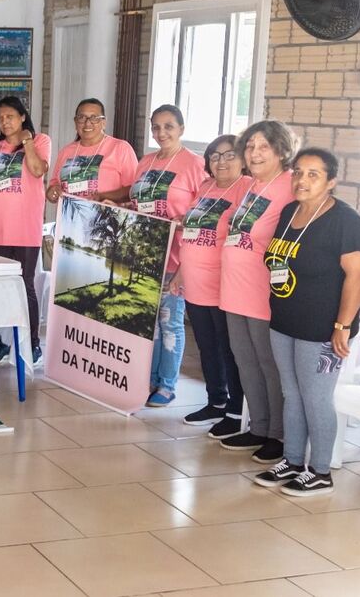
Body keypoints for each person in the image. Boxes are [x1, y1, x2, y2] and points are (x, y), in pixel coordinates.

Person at [253, 148, 360, 496]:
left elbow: (357, 277)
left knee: (316, 398)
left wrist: (342, 326)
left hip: (323, 327)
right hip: (285, 319)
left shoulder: (345, 221)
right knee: (292, 394)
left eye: (313, 174)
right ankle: (292, 460)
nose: (302, 180)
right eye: (299, 172)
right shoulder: (289, 212)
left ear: (331, 181)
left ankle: (320, 471)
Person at [218, 120, 298, 463]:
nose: (254, 153)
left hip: (263, 290)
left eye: (263, 147)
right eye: (250, 147)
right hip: (234, 287)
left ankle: (279, 435)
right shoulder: (251, 185)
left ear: (281, 150)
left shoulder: (290, 187)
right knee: (244, 359)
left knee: (269, 363)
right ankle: (259, 427)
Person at [127, 105, 207, 407]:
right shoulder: (145, 162)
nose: (162, 133)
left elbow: (203, 212)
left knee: (170, 321)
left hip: (177, 257)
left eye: (169, 126)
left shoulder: (193, 164)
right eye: (156, 127)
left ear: (182, 129)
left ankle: (168, 384)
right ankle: (151, 379)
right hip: (145, 253)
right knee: (149, 323)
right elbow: (137, 204)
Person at [178, 135, 251, 438]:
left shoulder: (247, 189)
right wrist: (179, 274)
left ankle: (235, 412)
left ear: (243, 159)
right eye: (215, 156)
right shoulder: (206, 188)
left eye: (229, 155)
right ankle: (216, 401)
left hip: (225, 285)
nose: (221, 161)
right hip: (195, 283)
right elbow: (193, 233)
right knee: (207, 347)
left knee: (229, 350)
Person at [0, 96, 50, 365]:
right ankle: (4, 342)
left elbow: (36, 170)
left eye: (10, 116)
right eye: (0, 118)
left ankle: (32, 343)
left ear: (22, 116)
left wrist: (27, 141)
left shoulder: (41, 141)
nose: (4, 122)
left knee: (25, 286)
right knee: (2, 288)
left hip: (25, 227)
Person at [47, 98, 137, 204]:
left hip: (105, 218)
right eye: (82, 117)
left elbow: (134, 190)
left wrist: (103, 196)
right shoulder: (66, 152)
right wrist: (52, 192)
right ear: (76, 122)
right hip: (69, 218)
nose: (88, 123)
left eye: (94, 118)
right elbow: (53, 186)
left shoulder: (120, 148)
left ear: (104, 122)